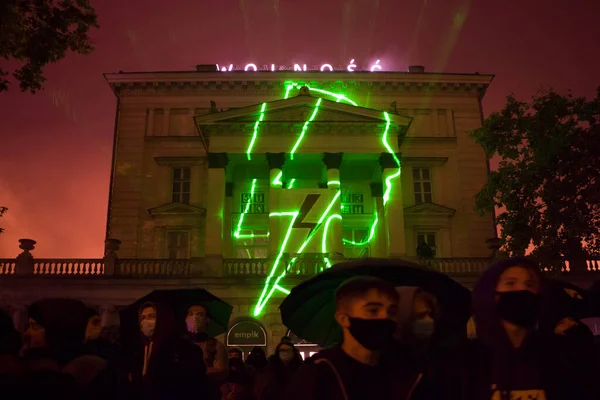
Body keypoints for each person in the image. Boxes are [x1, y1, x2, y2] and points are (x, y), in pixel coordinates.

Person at [454, 256, 599, 399]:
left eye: (530, 284)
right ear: (490, 294)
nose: (523, 289)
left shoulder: (558, 356)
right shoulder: (466, 361)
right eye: (510, 283)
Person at [285, 276, 426, 400]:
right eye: (373, 310)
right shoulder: (317, 375)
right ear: (343, 319)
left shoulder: (409, 372)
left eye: (392, 311)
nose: (385, 317)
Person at [126, 301, 211, 399]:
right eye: (143, 318)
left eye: (152, 316)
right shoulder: (139, 351)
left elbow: (195, 386)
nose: (146, 321)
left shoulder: (184, 349)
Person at [185, 303, 228, 382]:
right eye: (190, 314)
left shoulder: (215, 345)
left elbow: (221, 371)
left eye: (200, 314)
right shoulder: (179, 344)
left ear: (207, 319)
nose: (194, 317)